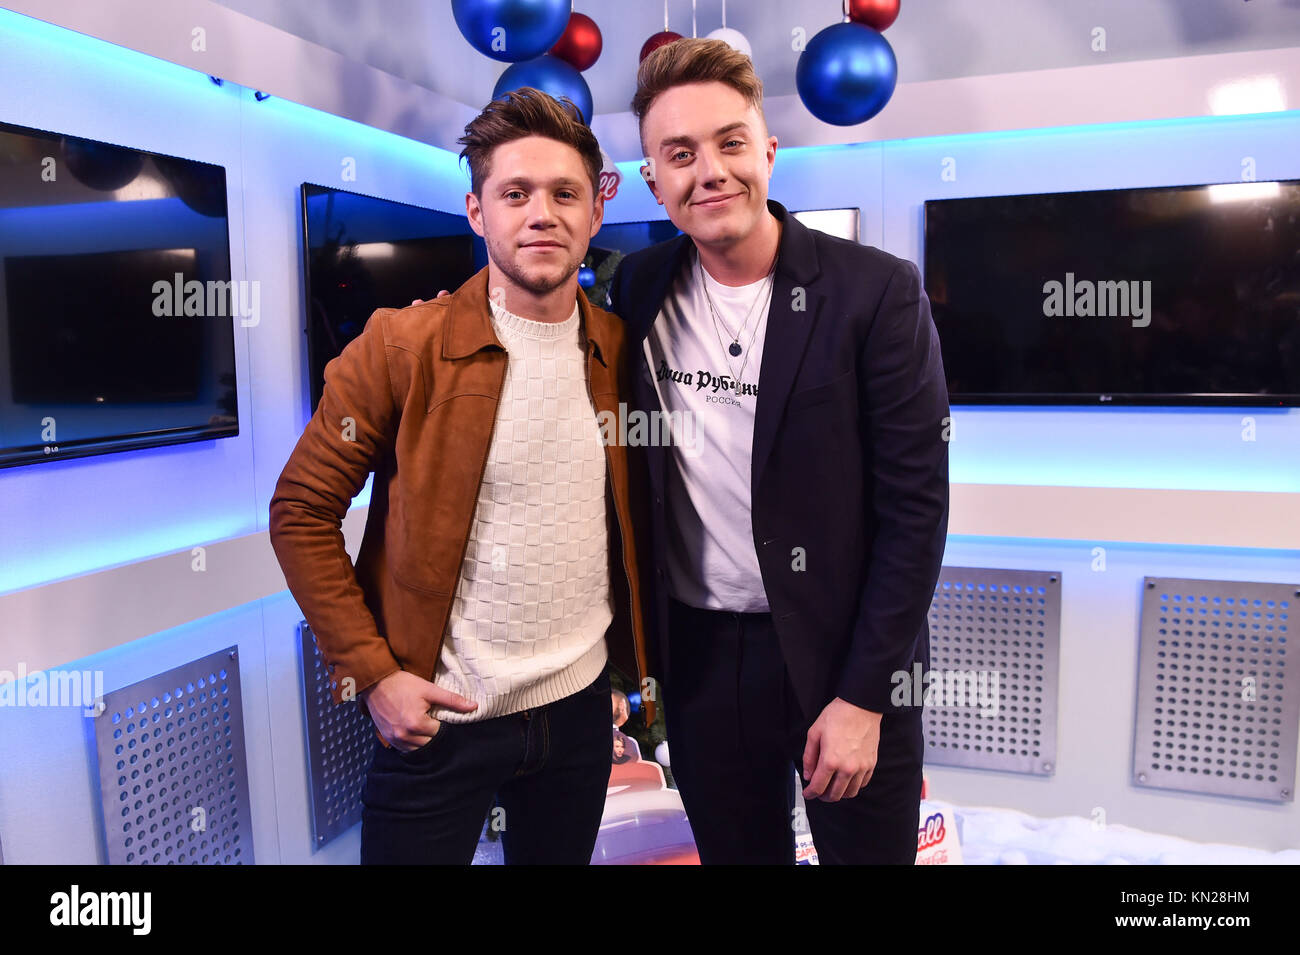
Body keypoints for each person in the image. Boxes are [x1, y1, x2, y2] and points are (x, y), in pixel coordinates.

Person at [269, 87, 653, 865]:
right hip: (439, 719)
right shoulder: (400, 347)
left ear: (594, 213)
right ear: (478, 212)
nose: (541, 213)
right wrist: (375, 675)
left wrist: (618, 677)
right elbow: (301, 510)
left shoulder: (622, 350)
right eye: (515, 193)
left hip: (577, 717)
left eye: (564, 193)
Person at [608, 38, 951, 865]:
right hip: (700, 657)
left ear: (768, 150)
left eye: (730, 142)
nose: (710, 171)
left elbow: (916, 511)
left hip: (848, 651)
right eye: (680, 154)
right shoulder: (638, 287)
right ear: (655, 179)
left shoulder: (875, 290)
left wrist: (864, 697)